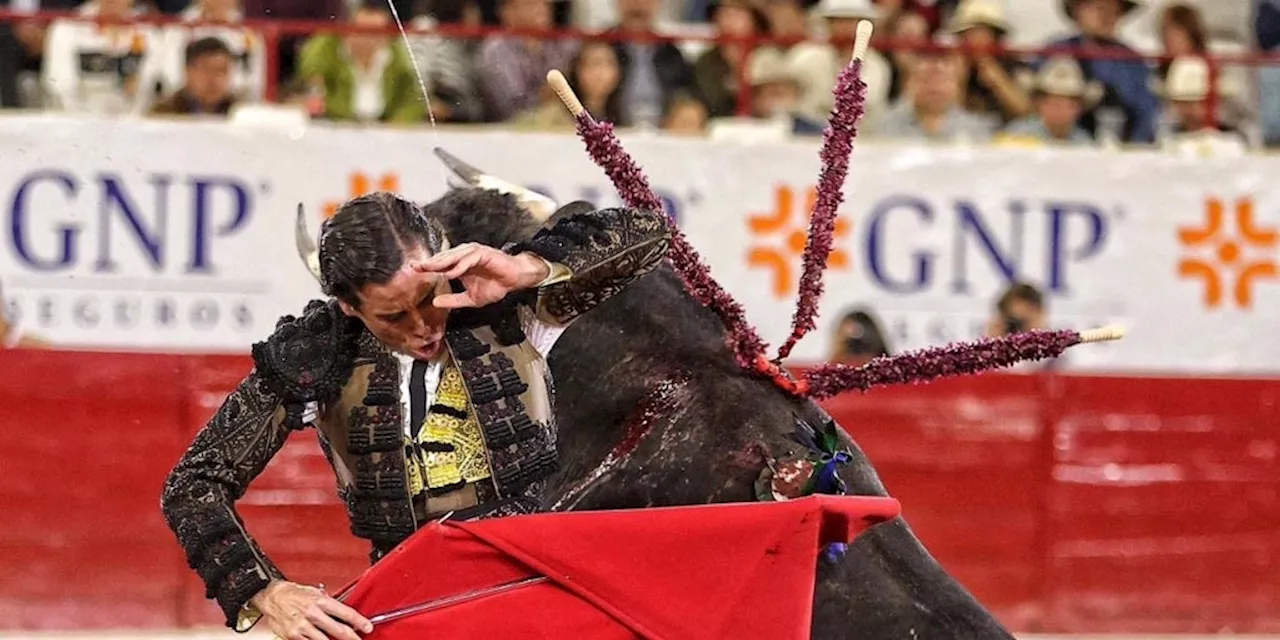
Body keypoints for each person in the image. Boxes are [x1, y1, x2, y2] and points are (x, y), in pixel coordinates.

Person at [161, 189, 671, 638]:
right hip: (408, 599)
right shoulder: (317, 354)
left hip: (532, 576)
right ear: (348, 306)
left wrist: (525, 268)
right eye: (393, 316)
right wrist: (266, 592)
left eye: (430, 299)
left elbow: (651, 233)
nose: (424, 326)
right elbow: (193, 485)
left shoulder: (504, 304)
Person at [149, 37, 238, 116]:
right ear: (187, 71)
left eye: (222, 70)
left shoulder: (242, 112)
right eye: (206, 70)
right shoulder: (163, 114)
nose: (215, 78)